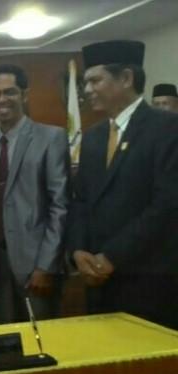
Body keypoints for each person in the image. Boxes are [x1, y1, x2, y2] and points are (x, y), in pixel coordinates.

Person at [68, 40, 178, 328]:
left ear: (126, 78)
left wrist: (112, 256)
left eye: (95, 81)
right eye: (85, 82)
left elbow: (166, 206)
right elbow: (81, 200)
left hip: (149, 280)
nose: (87, 90)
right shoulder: (93, 137)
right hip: (97, 279)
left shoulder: (167, 129)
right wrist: (78, 251)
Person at [0, 64, 70, 324]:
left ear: (24, 95)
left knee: (42, 339)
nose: (2, 99)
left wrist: (46, 265)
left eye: (10, 92)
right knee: (7, 338)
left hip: (36, 263)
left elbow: (60, 206)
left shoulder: (51, 137)